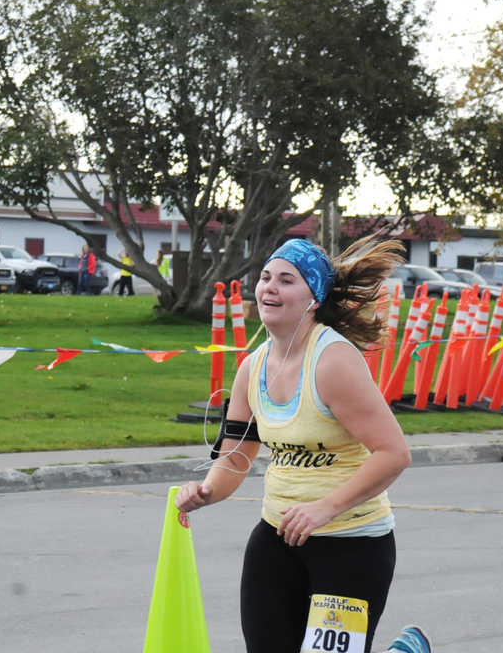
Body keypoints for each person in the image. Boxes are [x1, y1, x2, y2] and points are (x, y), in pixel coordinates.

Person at [176, 236, 412, 653]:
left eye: (287, 280)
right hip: (276, 539)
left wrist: (325, 508)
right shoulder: (252, 368)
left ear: (313, 298)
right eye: (266, 277)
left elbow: (394, 454)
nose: (270, 287)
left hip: (351, 543)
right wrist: (206, 491)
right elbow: (236, 456)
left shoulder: (333, 361)